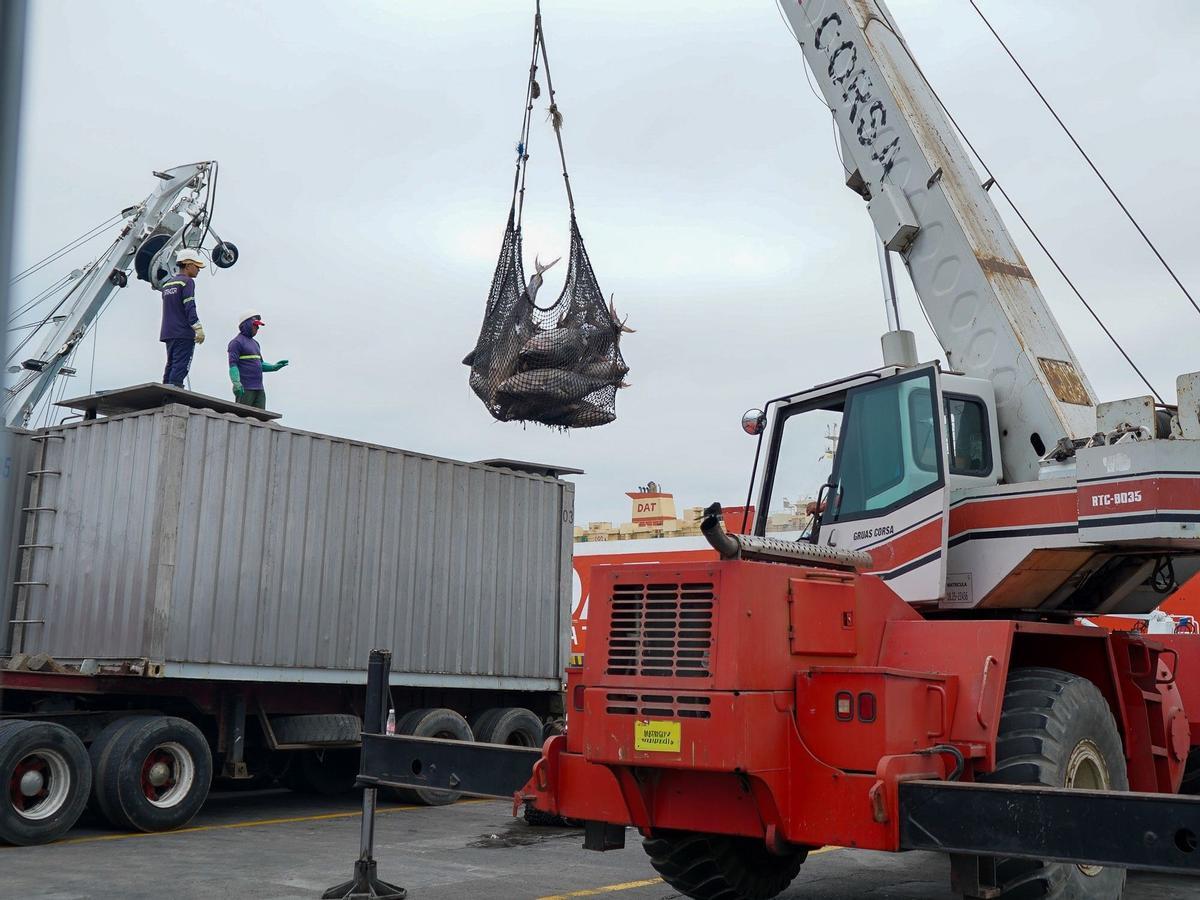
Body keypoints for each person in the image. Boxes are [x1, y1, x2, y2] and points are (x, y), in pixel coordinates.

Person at [160, 247, 207, 387]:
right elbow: (189, 305)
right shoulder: (187, 282)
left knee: (171, 364)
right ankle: (173, 396)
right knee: (181, 366)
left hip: (169, 332)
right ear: (188, 265)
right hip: (183, 333)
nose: (199, 269)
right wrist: (197, 327)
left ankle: (164, 392)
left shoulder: (168, 284)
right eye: (197, 266)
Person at [228, 310, 288, 409]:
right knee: (242, 417)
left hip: (259, 389)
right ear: (246, 324)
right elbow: (233, 365)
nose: (258, 328)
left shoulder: (256, 344)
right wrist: (236, 382)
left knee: (259, 420)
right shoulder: (236, 342)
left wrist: (274, 367)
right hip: (245, 388)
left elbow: (260, 364)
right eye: (255, 325)